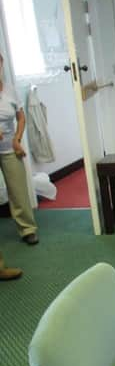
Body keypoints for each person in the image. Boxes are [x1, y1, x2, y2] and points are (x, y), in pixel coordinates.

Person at [0, 53, 39, 245]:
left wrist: (17, 138)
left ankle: (27, 229)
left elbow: (21, 117)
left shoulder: (10, 91)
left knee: (18, 191)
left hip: (9, 147)